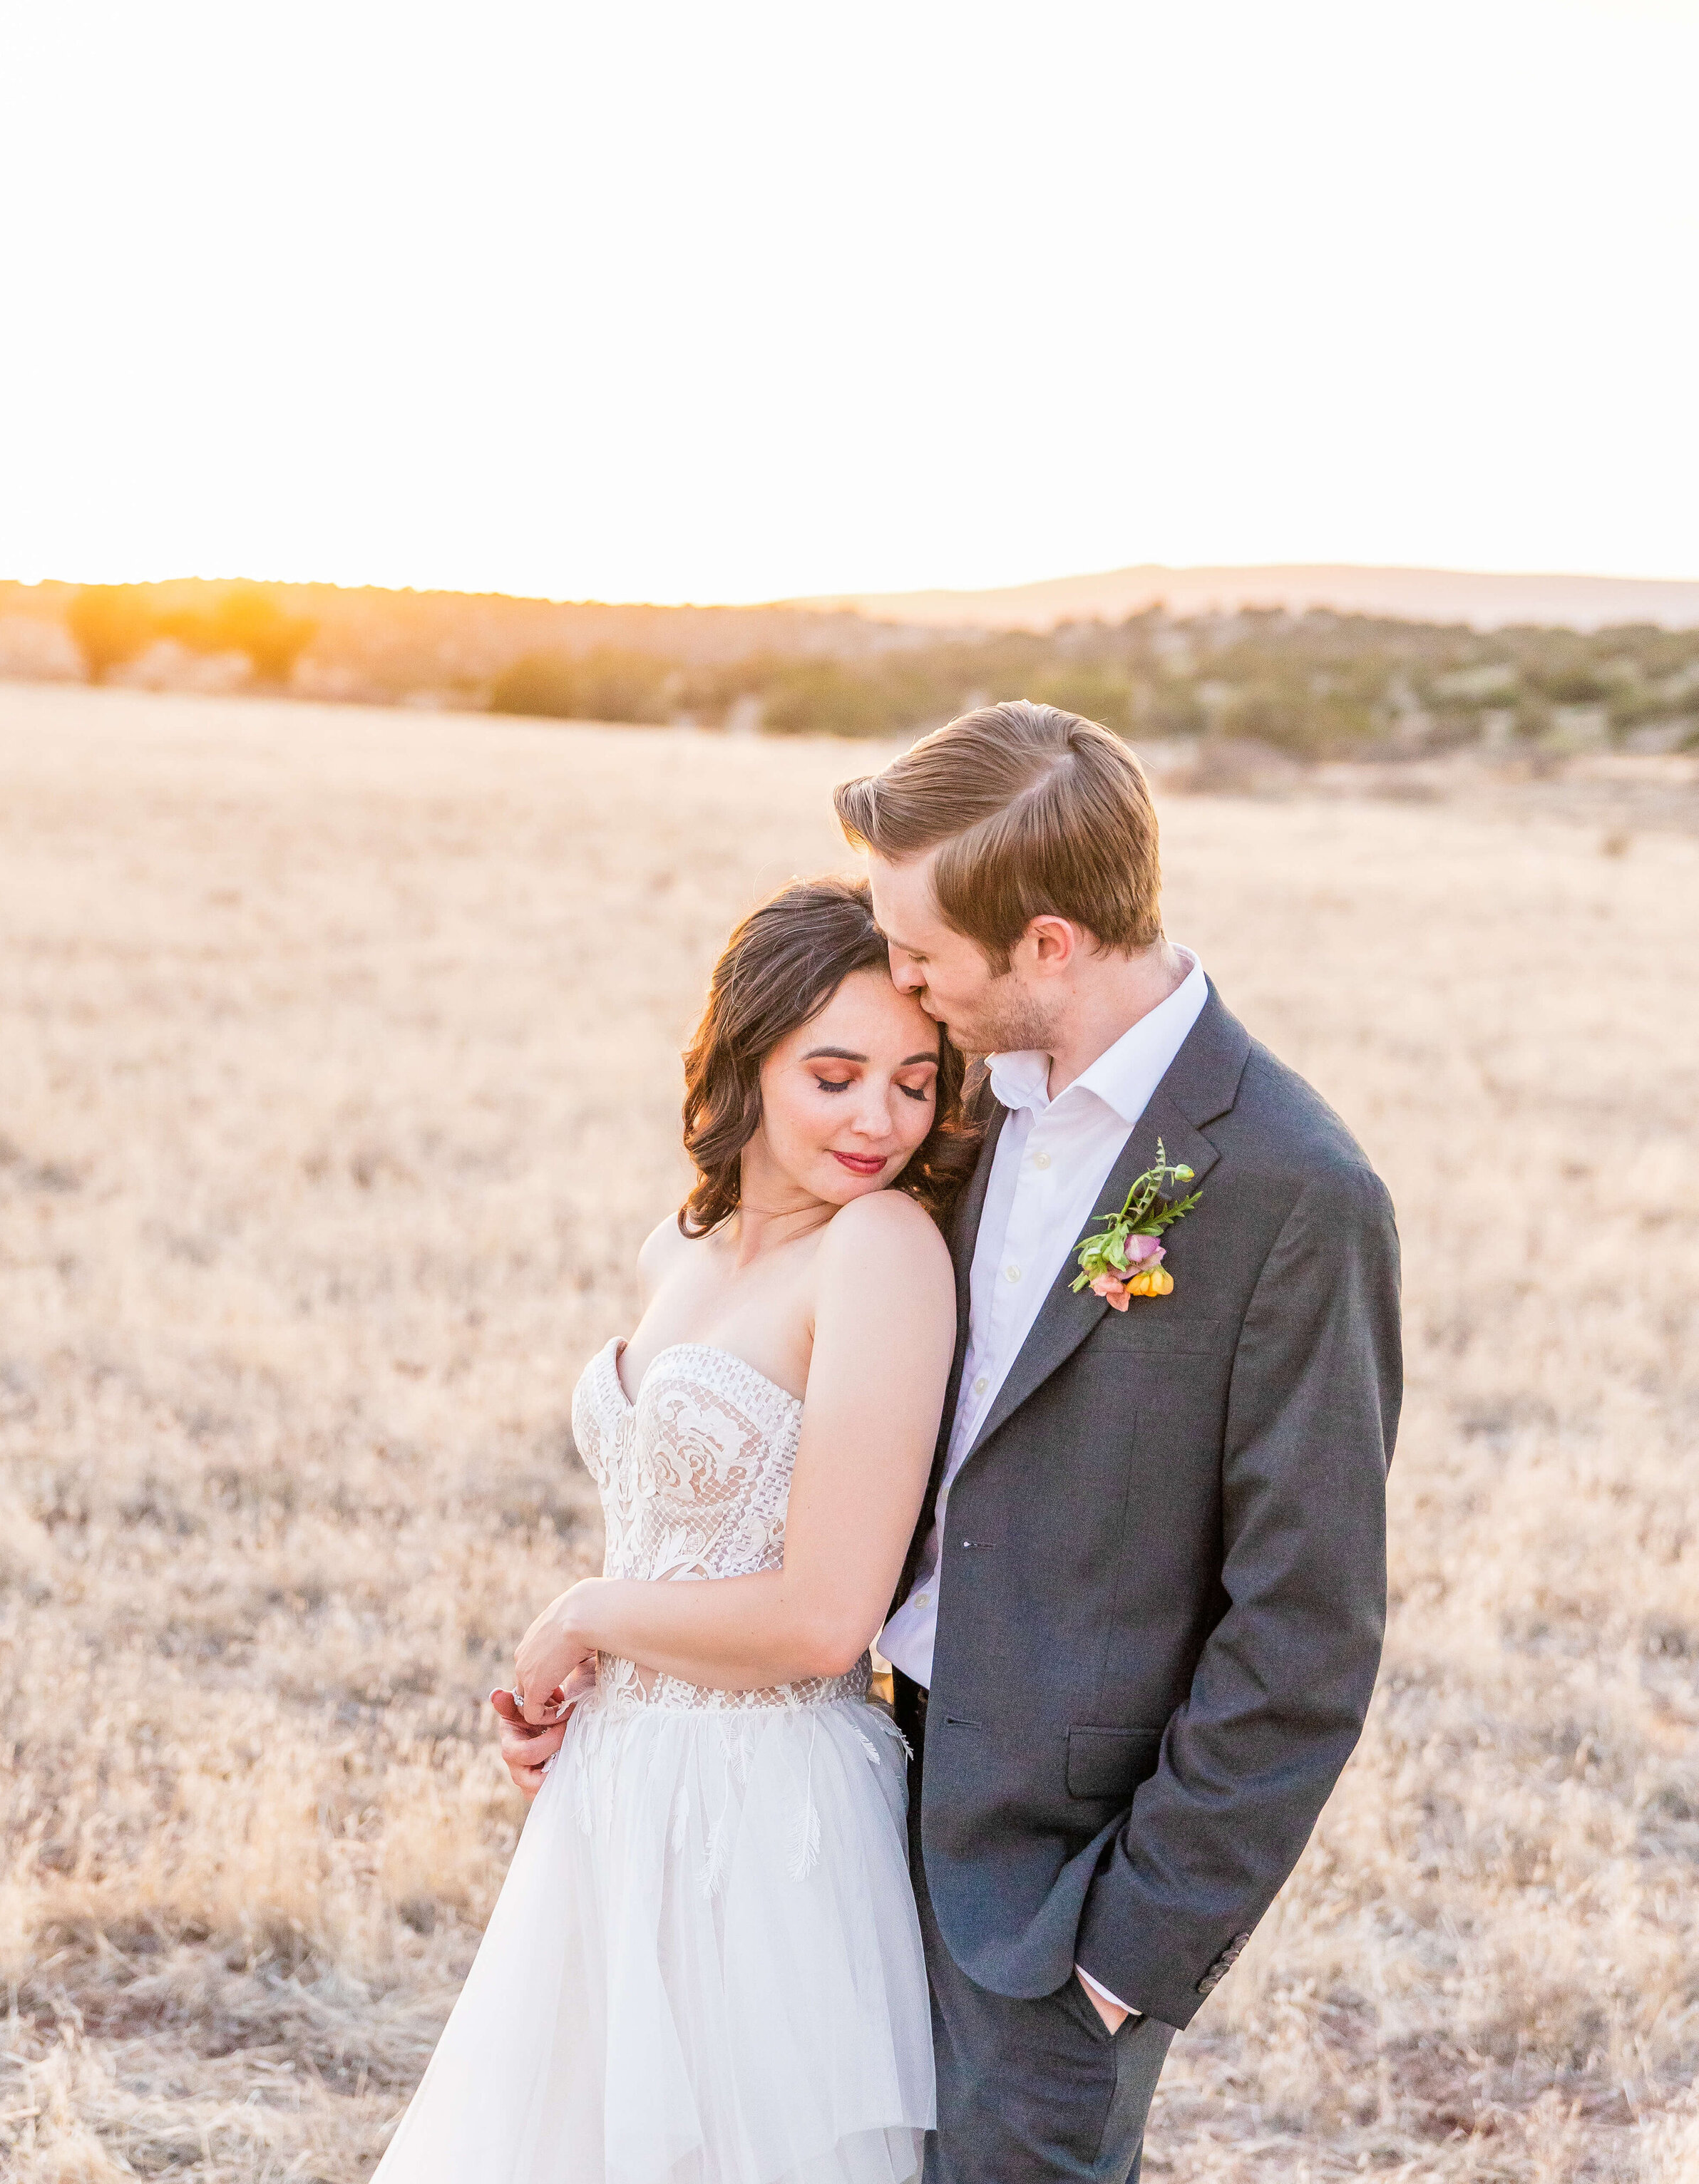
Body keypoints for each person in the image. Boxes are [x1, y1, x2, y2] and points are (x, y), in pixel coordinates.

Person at [831, 701, 1402, 2183]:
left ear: (1048, 946)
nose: (898, 982)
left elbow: (1308, 1624)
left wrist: (1130, 1947)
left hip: (1058, 1889)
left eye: (920, 953)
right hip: (850, 1788)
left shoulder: (1294, 1186)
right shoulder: (960, 1100)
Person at [372, 877, 975, 2184]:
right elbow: (675, 1532)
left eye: (916, 1082)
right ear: (744, 1059)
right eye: (835, 1074)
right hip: (617, 1789)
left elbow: (824, 1618)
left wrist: (586, 1616)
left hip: (767, 1811)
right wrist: (596, 1677)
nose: (881, 1118)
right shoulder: (676, 1248)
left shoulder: (881, 1250)